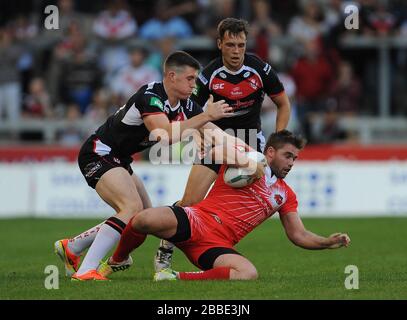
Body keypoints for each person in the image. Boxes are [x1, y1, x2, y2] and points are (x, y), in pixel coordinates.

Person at [54, 51, 237, 281]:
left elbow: (217, 135)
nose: (194, 85)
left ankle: (73, 247)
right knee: (130, 207)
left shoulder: (186, 105)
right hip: (98, 153)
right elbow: (164, 135)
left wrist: (251, 158)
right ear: (172, 76)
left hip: (119, 159)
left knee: (141, 220)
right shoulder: (150, 96)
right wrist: (205, 117)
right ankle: (85, 271)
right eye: (190, 79)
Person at [99, 130, 350, 281]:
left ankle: (173, 278)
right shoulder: (246, 158)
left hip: (216, 245)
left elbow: (299, 235)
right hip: (195, 219)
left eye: (295, 158)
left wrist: (327, 242)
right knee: (142, 219)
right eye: (288, 156)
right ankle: (118, 260)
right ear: (270, 152)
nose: (292, 162)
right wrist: (247, 163)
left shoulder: (285, 195)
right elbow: (215, 151)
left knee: (248, 273)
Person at [154, 17, 291, 272]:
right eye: (230, 45)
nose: (236, 51)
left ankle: (218, 251)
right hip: (216, 144)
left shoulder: (260, 69)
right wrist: (198, 137)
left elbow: (284, 103)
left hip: (249, 147)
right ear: (219, 44)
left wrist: (278, 139)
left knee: (241, 207)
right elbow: (189, 109)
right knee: (190, 202)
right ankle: (165, 248)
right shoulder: (208, 75)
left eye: (241, 45)